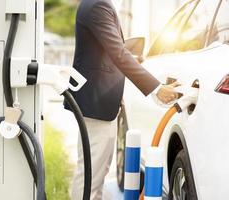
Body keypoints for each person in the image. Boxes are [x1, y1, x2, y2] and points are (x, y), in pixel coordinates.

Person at [65, 0, 179, 199]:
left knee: (94, 170)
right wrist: (156, 88)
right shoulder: (97, 5)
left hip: (96, 101)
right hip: (96, 102)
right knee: (91, 174)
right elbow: (117, 52)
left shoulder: (95, 4)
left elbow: (110, 50)